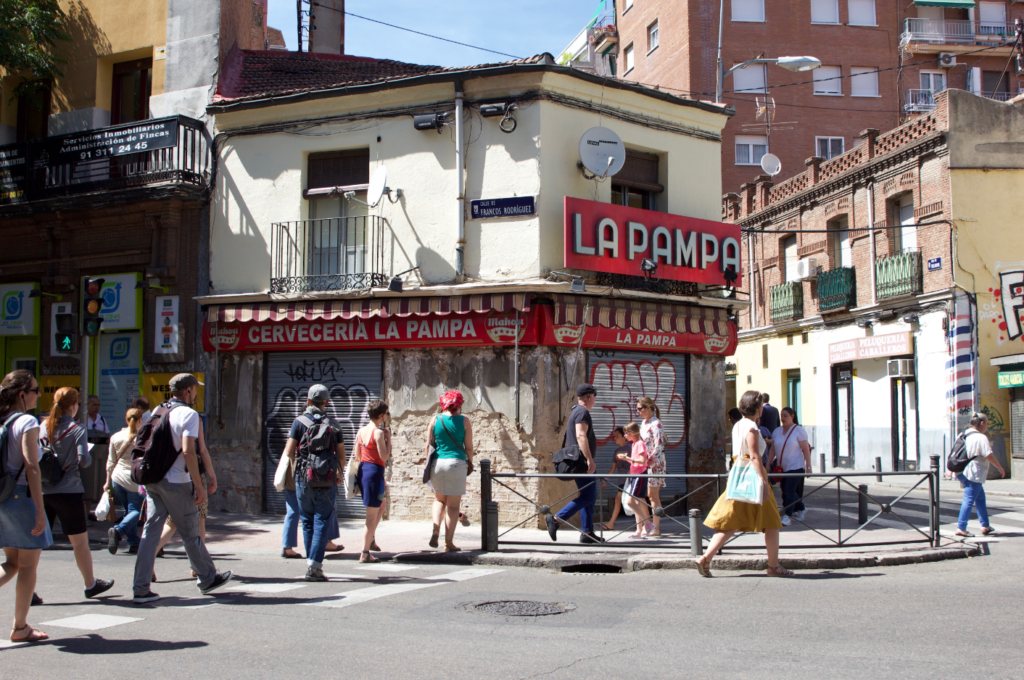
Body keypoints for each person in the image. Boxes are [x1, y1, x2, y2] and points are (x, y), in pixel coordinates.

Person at [132, 374, 232, 602]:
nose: (196, 393)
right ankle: (207, 578)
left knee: (150, 533)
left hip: (153, 480)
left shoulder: (159, 409)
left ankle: (140, 588)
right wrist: (199, 485)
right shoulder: (189, 415)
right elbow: (189, 451)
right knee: (190, 532)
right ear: (188, 390)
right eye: (195, 389)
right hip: (176, 481)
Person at [696, 391, 791, 578]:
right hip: (753, 476)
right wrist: (764, 481)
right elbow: (754, 456)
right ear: (757, 408)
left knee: (732, 522)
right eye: (761, 406)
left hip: (739, 476)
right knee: (772, 521)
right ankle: (773, 566)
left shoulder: (738, 425)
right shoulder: (752, 427)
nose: (762, 408)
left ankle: (706, 558)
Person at [41, 387, 114, 599]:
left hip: (43, 490)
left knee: (36, 543)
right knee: (79, 542)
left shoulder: (43, 426)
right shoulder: (77, 428)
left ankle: (30, 589)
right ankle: (90, 584)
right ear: (74, 406)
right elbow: (83, 461)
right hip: (69, 490)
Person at [0, 371, 51, 642]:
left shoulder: (2, 420)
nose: (39, 394)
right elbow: (32, 466)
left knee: (12, 562)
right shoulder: (27, 421)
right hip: (22, 497)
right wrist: (40, 509)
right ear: (21, 394)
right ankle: (19, 627)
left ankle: (21, 627)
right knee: (28, 565)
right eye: (35, 390)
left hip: (2, 496)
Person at [283, 384, 345, 582]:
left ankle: (312, 564)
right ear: (327, 402)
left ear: (308, 401)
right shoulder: (333, 424)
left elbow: (289, 451)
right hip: (326, 480)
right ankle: (314, 567)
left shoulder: (299, 422)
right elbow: (341, 455)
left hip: (304, 479)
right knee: (322, 521)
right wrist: (338, 472)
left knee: (307, 521)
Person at [153, 416, 220, 577]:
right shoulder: (194, 418)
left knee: (171, 523)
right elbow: (201, 450)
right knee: (199, 521)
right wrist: (212, 475)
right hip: (191, 475)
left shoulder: (165, 415)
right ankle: (198, 566)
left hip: (169, 475)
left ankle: (149, 559)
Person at [547, 384, 604, 544]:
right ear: (588, 397)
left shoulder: (576, 411)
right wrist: (589, 460)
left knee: (588, 496)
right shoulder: (582, 412)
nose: (595, 399)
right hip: (582, 462)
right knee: (588, 496)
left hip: (580, 462)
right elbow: (581, 435)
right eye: (594, 396)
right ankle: (556, 519)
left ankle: (587, 532)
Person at [427, 390, 475, 552]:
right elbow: (469, 447)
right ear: (459, 404)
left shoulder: (435, 419)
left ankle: (436, 529)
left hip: (437, 463)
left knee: (439, 500)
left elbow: (428, 445)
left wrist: (427, 465)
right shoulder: (465, 421)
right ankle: (448, 543)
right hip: (456, 463)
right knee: (453, 506)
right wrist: (470, 462)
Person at [955, 412, 1006, 537]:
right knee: (969, 500)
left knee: (980, 498)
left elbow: (955, 453)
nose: (987, 426)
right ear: (982, 423)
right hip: (974, 473)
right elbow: (988, 454)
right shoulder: (981, 437)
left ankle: (985, 525)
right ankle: (961, 527)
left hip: (961, 471)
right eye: (987, 424)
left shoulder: (963, 434)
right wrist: (999, 467)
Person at [354, 400, 392, 563]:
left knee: (381, 504)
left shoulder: (361, 431)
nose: (387, 417)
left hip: (364, 471)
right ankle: (365, 552)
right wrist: (388, 440)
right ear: (381, 415)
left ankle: (371, 539)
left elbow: (357, 455)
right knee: (371, 516)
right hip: (374, 473)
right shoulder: (378, 433)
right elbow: (384, 456)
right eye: (386, 414)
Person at [106, 408, 146, 554]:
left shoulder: (116, 437)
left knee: (128, 511)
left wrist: (107, 482)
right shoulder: (143, 438)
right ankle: (118, 531)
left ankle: (133, 542)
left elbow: (111, 462)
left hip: (117, 478)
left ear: (126, 419)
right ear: (140, 420)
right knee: (136, 511)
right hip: (134, 479)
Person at [769, 407, 812, 526]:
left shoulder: (799, 431)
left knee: (789, 490)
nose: (783, 418)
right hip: (781, 467)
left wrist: (808, 467)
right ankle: (802, 508)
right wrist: (768, 463)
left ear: (792, 416)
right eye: (781, 416)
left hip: (795, 466)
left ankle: (787, 516)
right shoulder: (777, 431)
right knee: (787, 490)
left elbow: (806, 449)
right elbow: (773, 449)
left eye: (785, 415)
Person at [637, 397, 665, 536]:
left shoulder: (656, 424)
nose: (638, 411)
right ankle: (646, 525)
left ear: (648, 407)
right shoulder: (643, 423)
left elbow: (658, 445)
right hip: (644, 462)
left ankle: (656, 528)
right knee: (642, 494)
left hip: (654, 463)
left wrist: (652, 460)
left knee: (652, 495)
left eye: (640, 408)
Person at [620, 422, 653, 538]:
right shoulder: (634, 444)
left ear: (632, 433)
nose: (624, 435)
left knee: (630, 502)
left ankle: (648, 524)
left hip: (639, 475)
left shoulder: (639, 444)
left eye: (626, 433)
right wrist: (627, 459)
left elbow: (643, 461)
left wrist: (629, 458)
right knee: (637, 502)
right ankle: (639, 529)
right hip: (635, 475)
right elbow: (636, 461)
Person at [600, 427, 631, 531]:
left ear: (624, 437)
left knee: (635, 501)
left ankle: (645, 523)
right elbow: (613, 468)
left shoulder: (630, 449)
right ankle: (611, 523)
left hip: (630, 481)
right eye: (614, 436)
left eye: (618, 436)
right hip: (622, 482)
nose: (615, 438)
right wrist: (605, 480)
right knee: (618, 500)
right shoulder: (616, 451)